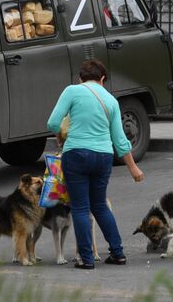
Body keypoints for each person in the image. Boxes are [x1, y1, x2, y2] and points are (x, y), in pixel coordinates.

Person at [46, 59, 144, 270]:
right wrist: (133, 168)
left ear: (80, 78)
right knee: (99, 205)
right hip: (103, 157)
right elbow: (120, 140)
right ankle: (117, 253)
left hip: (77, 155)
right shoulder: (111, 101)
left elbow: (53, 122)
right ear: (102, 79)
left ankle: (87, 259)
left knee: (80, 207)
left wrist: (62, 135)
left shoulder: (72, 91)